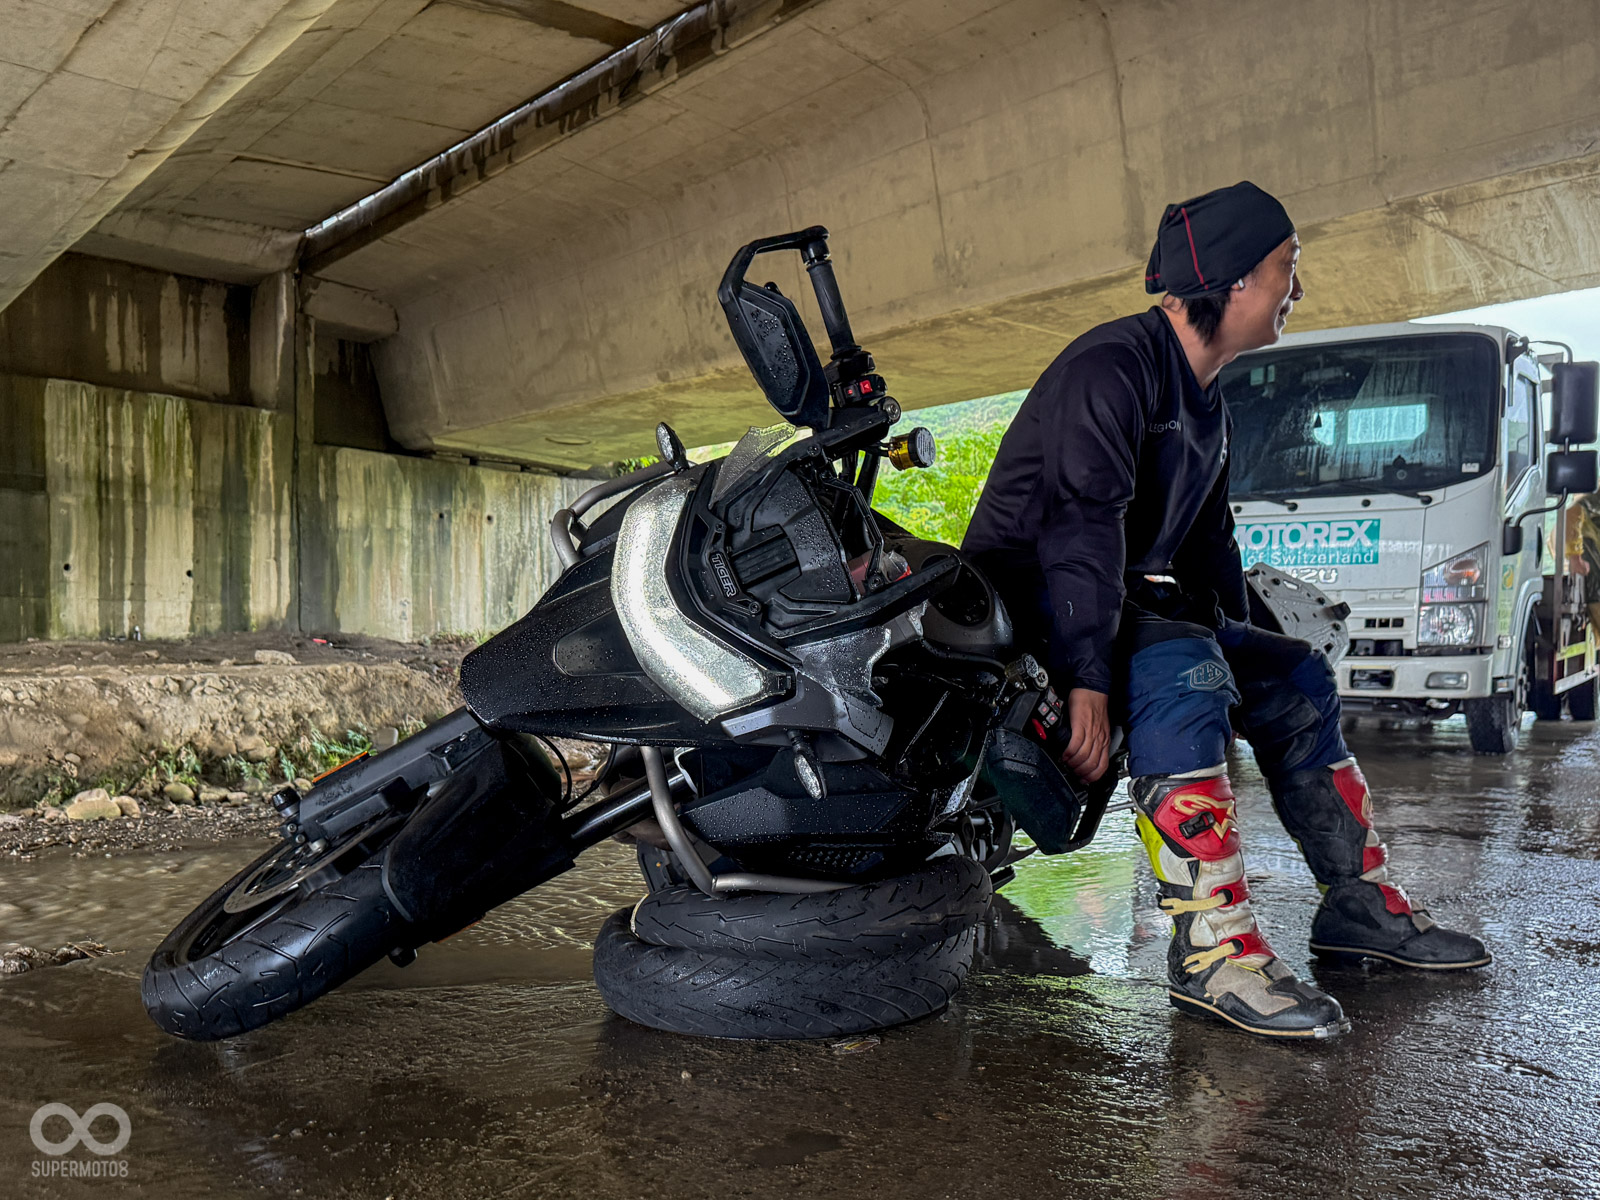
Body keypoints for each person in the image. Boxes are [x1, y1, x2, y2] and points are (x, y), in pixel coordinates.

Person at [962, 181, 1490, 1040]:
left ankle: (1357, 909)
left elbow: (1209, 549)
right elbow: (1079, 526)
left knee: (1295, 674)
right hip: (1034, 609)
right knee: (1185, 663)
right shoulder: (1113, 367)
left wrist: (1251, 649)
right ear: (1237, 281)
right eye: (1289, 267)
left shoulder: (1206, 395)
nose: (1296, 287)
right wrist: (1085, 681)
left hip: (1115, 604)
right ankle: (1211, 950)